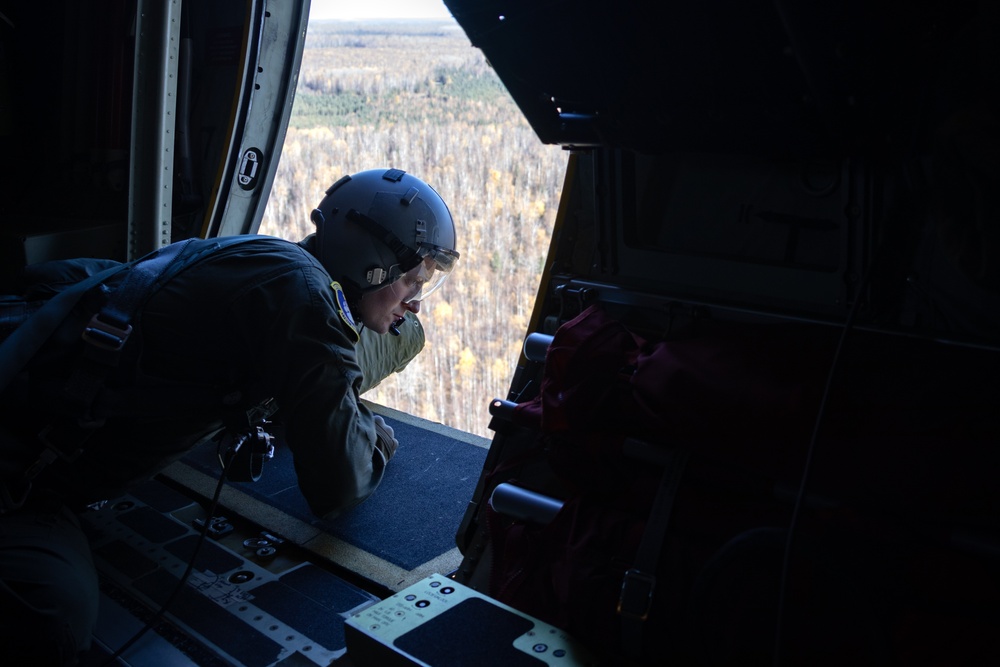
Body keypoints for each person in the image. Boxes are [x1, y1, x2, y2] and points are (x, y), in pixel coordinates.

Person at [0, 167, 459, 665]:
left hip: (32, 410)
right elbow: (339, 484)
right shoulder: (305, 301)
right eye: (413, 280)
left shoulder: (270, 262)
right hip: (20, 468)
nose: (415, 303)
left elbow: (337, 363)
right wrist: (372, 439)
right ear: (372, 263)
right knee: (57, 612)